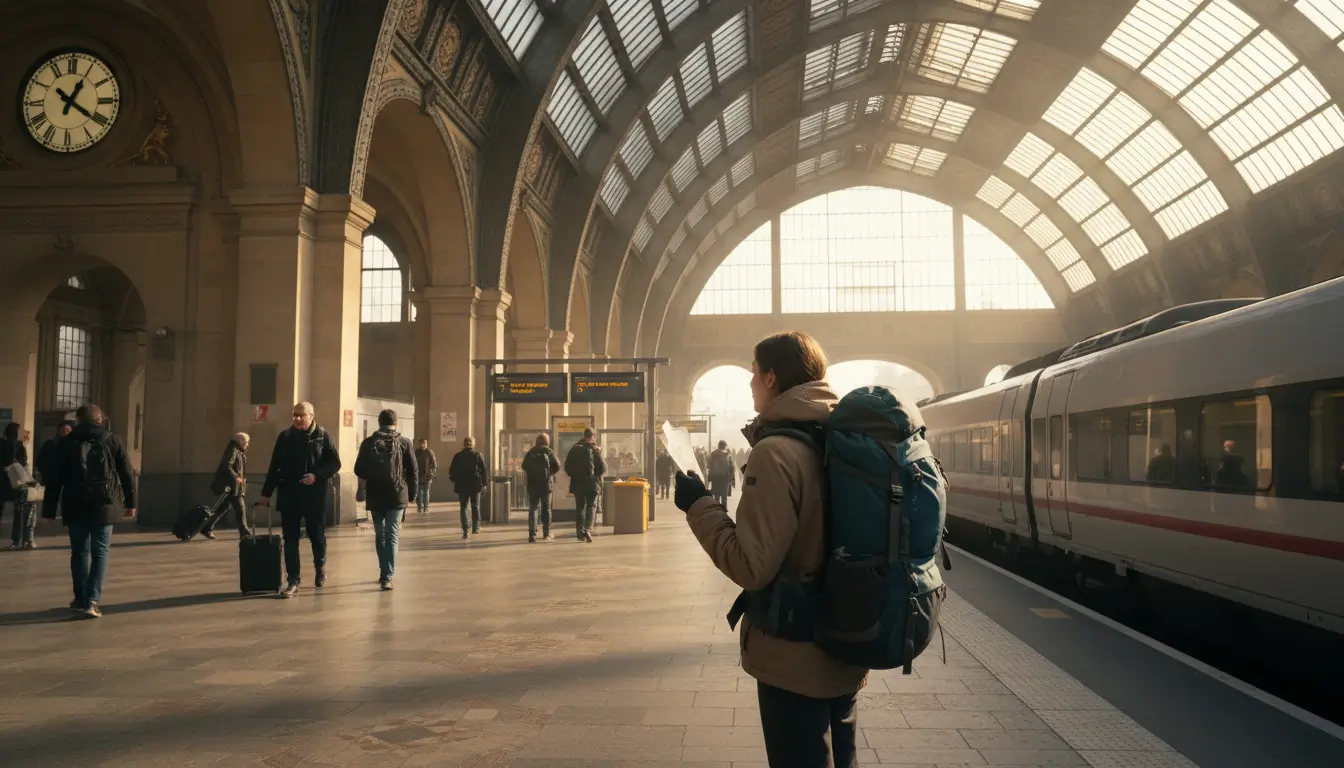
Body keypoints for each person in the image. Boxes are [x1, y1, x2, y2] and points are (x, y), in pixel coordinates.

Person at [674, 331, 866, 767]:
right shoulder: (837, 436)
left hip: (794, 655)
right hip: (847, 638)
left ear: (772, 377)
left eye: (754, 372)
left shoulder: (776, 452)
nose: (750, 382)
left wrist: (699, 505)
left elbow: (751, 565)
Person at [46, 404, 136, 619]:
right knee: (100, 552)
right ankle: (92, 601)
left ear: (78, 420)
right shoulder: (112, 440)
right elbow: (126, 473)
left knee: (79, 552)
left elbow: (54, 478)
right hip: (104, 504)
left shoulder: (66, 442)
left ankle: (80, 598)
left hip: (75, 504)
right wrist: (130, 502)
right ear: (100, 420)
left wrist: (49, 509)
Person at [258, 401, 341, 598]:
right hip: (289, 495)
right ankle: (293, 581)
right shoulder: (285, 437)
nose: (296, 419)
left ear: (311, 416)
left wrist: (316, 475)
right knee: (290, 538)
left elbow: (334, 463)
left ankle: (320, 567)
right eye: (294, 415)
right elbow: (274, 466)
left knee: (317, 536)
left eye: (300, 415)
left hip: (314, 496)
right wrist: (266, 493)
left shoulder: (323, 436)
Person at [354, 409, 417, 590]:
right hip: (397, 494)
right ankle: (387, 576)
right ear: (396, 422)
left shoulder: (369, 443)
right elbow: (413, 470)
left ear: (379, 422)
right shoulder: (405, 442)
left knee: (380, 534)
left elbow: (358, 469)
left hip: (376, 494)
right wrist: (411, 495)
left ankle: (383, 571)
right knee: (392, 534)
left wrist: (374, 473)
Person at [202, 433, 252, 540]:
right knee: (240, 507)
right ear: (241, 441)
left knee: (223, 507)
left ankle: (207, 527)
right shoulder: (233, 450)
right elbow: (227, 465)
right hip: (231, 486)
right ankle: (244, 532)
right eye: (246, 442)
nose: (247, 444)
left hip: (233, 485)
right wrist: (236, 477)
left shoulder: (238, 450)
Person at [564, 428, 606, 543]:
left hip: (577, 483)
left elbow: (567, 466)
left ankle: (580, 533)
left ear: (584, 435)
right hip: (592, 483)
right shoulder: (594, 449)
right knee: (591, 505)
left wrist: (575, 476)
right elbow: (603, 468)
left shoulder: (574, 448)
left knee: (580, 507)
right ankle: (588, 529)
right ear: (593, 436)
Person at [521, 433, 561, 543]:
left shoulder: (530, 452)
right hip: (546, 485)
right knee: (546, 508)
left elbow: (524, 466)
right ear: (547, 441)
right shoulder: (549, 451)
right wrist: (549, 474)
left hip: (533, 485)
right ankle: (546, 533)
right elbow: (557, 465)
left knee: (533, 507)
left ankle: (532, 534)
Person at [2, 423, 36, 550]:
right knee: (23, 511)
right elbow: (23, 462)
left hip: (5, 482)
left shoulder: (3, 444)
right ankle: (25, 539)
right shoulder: (18, 445)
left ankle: (18, 540)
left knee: (18, 510)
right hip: (18, 483)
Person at [449, 436, 487, 539]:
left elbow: (451, 471)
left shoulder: (458, 456)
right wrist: (484, 483)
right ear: (473, 444)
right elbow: (483, 470)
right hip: (475, 485)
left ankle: (465, 529)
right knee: (475, 506)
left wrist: (455, 480)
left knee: (463, 506)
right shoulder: (477, 455)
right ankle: (475, 528)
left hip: (462, 485)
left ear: (464, 444)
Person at [36, 420, 72, 522]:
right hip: (53, 475)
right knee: (51, 495)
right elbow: (40, 460)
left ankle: (68, 516)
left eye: (68, 430)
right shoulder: (51, 444)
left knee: (69, 496)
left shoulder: (72, 444)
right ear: (59, 430)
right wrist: (46, 472)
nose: (66, 432)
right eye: (64, 430)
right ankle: (48, 516)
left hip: (68, 475)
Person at [707, 440, 735, 507]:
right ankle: (723, 510)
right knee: (724, 497)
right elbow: (732, 468)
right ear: (724, 446)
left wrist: (709, 478)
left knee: (716, 496)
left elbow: (709, 466)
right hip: (725, 478)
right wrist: (732, 480)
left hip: (715, 477)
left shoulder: (713, 454)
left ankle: (717, 509)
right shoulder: (728, 455)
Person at [414, 438, 437, 513]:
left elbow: (434, 464)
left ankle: (426, 507)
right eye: (422, 443)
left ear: (427, 444)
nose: (423, 445)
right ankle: (419, 506)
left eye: (425, 443)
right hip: (419, 475)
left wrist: (432, 472)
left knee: (426, 492)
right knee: (419, 492)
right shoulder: (417, 452)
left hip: (428, 476)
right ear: (419, 444)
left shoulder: (429, 452)